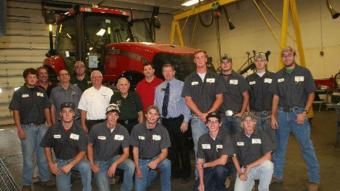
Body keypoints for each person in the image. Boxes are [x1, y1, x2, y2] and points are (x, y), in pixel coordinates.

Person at [271, 46, 320, 191]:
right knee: (280, 147)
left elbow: (311, 93)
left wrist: (305, 112)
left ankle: (314, 179)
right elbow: (275, 97)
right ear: (282, 58)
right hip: (281, 114)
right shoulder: (278, 75)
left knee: (306, 146)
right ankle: (277, 175)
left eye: (289, 55)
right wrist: (273, 116)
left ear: (294, 55)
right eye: (284, 55)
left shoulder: (304, 72)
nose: (286, 57)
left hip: (298, 114)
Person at [9, 68, 53, 191]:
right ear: (25, 79)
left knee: (43, 155)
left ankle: (45, 179)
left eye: (34, 77)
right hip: (27, 128)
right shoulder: (19, 93)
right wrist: (19, 129)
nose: (33, 79)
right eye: (30, 77)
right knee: (28, 157)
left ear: (37, 79)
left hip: (42, 127)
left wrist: (49, 124)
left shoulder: (41, 91)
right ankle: (26, 183)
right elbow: (15, 111)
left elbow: (46, 108)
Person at [182, 50, 225, 156]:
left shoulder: (215, 77)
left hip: (214, 118)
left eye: (202, 57)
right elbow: (187, 99)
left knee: (217, 146)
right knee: (199, 148)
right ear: (194, 61)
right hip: (197, 120)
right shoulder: (189, 79)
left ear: (206, 59)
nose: (200, 60)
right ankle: (201, 173)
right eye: (197, 58)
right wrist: (201, 114)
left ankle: (217, 171)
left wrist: (209, 113)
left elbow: (220, 98)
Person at [40, 102, 92, 191]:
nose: (67, 114)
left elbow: (83, 151)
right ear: (60, 114)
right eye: (64, 112)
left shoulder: (79, 130)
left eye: (70, 111)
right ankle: (69, 178)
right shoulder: (53, 129)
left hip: (76, 160)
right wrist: (51, 163)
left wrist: (70, 165)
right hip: (61, 162)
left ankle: (87, 189)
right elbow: (46, 146)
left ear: (74, 114)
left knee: (86, 166)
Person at [154, 64, 192, 181]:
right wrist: (157, 122)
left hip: (179, 121)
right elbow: (156, 105)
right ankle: (175, 171)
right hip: (165, 122)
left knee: (183, 148)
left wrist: (186, 121)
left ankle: (186, 173)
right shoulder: (158, 88)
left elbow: (187, 104)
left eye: (170, 71)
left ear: (174, 72)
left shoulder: (182, 85)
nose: (168, 73)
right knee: (171, 149)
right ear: (162, 73)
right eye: (165, 71)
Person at [88, 103, 135, 191]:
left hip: (114, 158)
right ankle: (105, 177)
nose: (113, 117)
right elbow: (89, 145)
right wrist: (91, 163)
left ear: (118, 117)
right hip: (99, 161)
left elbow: (126, 153)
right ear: (106, 115)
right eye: (110, 114)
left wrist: (115, 164)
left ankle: (125, 189)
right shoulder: (96, 128)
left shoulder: (123, 130)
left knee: (131, 165)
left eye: (115, 115)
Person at [130, 105, 171, 191]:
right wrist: (137, 168)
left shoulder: (163, 130)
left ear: (158, 117)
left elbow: (164, 152)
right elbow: (135, 150)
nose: (152, 116)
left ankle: (166, 188)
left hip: (156, 159)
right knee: (139, 188)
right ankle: (152, 173)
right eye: (150, 113)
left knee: (167, 163)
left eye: (155, 114)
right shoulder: (136, 129)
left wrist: (156, 161)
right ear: (145, 115)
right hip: (141, 161)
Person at [233, 112, 274, 191]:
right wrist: (240, 173)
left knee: (269, 165)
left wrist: (250, 166)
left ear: (255, 122)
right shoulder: (236, 137)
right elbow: (234, 157)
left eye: (251, 120)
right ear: (242, 123)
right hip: (244, 170)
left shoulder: (262, 134)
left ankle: (263, 189)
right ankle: (251, 184)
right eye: (245, 120)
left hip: (259, 167)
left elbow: (268, 156)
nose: (248, 123)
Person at [196, 112, 235, 191]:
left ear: (220, 124)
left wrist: (205, 165)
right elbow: (199, 163)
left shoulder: (226, 137)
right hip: (209, 167)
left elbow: (223, 161)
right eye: (210, 121)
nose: (212, 124)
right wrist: (201, 183)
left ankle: (223, 183)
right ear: (206, 124)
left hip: (225, 167)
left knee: (219, 170)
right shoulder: (202, 139)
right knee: (198, 189)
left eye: (215, 121)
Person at [246, 52, 276, 144]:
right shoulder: (249, 78)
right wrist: (248, 115)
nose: (259, 63)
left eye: (262, 60)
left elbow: (276, 97)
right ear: (254, 63)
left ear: (266, 62)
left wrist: (274, 115)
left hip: (269, 115)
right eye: (257, 61)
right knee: (256, 141)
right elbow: (246, 97)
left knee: (271, 141)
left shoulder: (273, 77)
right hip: (255, 115)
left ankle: (271, 159)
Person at [219, 55, 249, 135]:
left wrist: (242, 112)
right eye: (223, 62)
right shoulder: (216, 79)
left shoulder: (239, 78)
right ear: (220, 64)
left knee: (239, 141)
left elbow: (246, 96)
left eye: (227, 62)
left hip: (236, 116)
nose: (225, 64)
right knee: (225, 141)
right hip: (222, 116)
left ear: (231, 64)